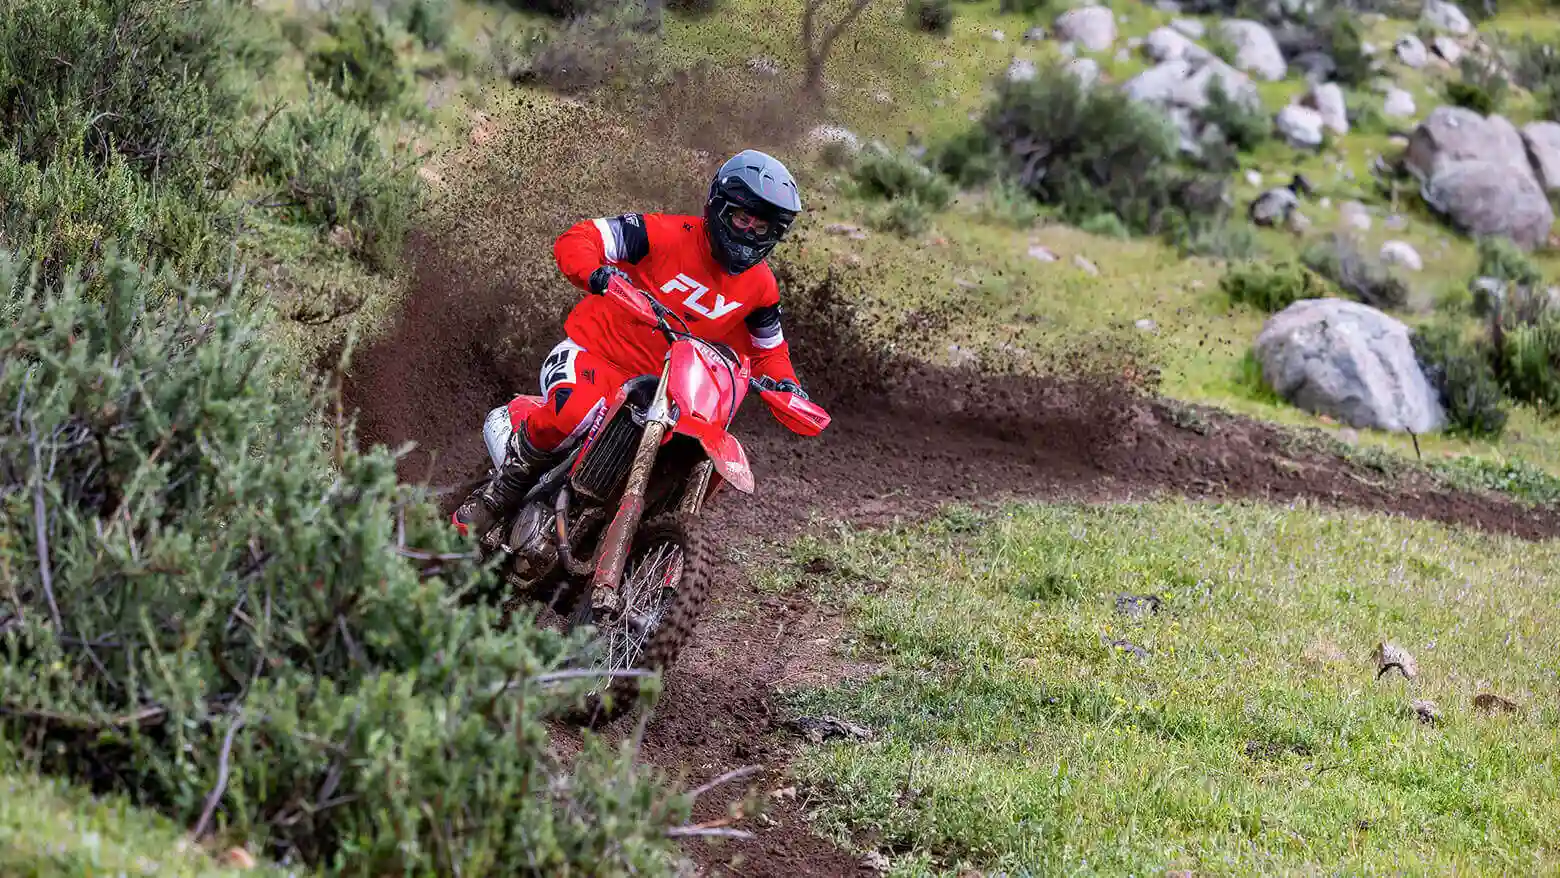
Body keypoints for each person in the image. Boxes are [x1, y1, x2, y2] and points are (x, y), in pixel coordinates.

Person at [453, 149, 810, 538]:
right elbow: (582, 237)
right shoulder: (661, 233)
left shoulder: (761, 287)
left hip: (667, 394)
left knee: (688, 457)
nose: (748, 233)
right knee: (572, 413)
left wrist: (785, 384)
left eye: (762, 228)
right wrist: (599, 275)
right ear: (719, 208)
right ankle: (495, 496)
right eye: (742, 218)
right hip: (594, 356)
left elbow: (769, 350)